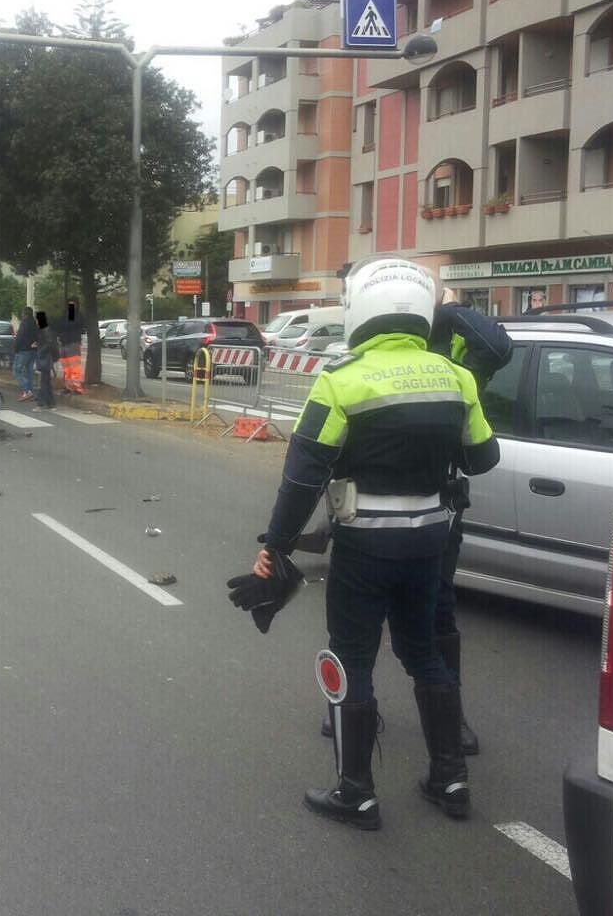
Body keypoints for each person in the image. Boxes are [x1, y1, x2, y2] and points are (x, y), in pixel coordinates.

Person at [230, 257, 500, 831]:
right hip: (430, 541)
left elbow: (302, 478)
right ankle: (450, 777)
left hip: (364, 545)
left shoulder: (340, 380)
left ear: (361, 311)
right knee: (423, 652)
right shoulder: (455, 377)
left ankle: (356, 792)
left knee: (351, 656)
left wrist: (275, 548)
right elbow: (483, 458)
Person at [305, 281, 512, 756]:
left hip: (436, 502)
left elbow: (498, 346)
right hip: (372, 502)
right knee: (358, 621)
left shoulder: (456, 349)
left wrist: (448, 309)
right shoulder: (373, 343)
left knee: (436, 614)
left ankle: (451, 720)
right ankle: (352, 706)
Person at [33, 310, 59, 411]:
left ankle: (40, 404)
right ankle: (51, 403)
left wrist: (41, 351)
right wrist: (38, 344)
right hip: (46, 356)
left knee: (43, 381)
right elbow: (47, 342)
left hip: (45, 357)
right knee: (46, 381)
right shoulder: (45, 328)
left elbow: (49, 343)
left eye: (37, 319)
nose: (36, 321)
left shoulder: (45, 329)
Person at [58, 300, 85, 394]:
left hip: (73, 343)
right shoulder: (64, 315)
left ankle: (77, 388)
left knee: (74, 367)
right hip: (64, 343)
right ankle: (69, 387)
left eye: (73, 305)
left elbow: (74, 324)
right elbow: (60, 326)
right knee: (67, 368)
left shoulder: (78, 315)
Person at [12, 311, 39, 401]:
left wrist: (15, 348)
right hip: (33, 350)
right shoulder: (35, 324)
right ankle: (31, 391)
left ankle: (26, 391)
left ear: (24, 314)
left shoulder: (24, 323)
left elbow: (19, 337)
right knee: (29, 371)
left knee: (17, 370)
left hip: (23, 350)